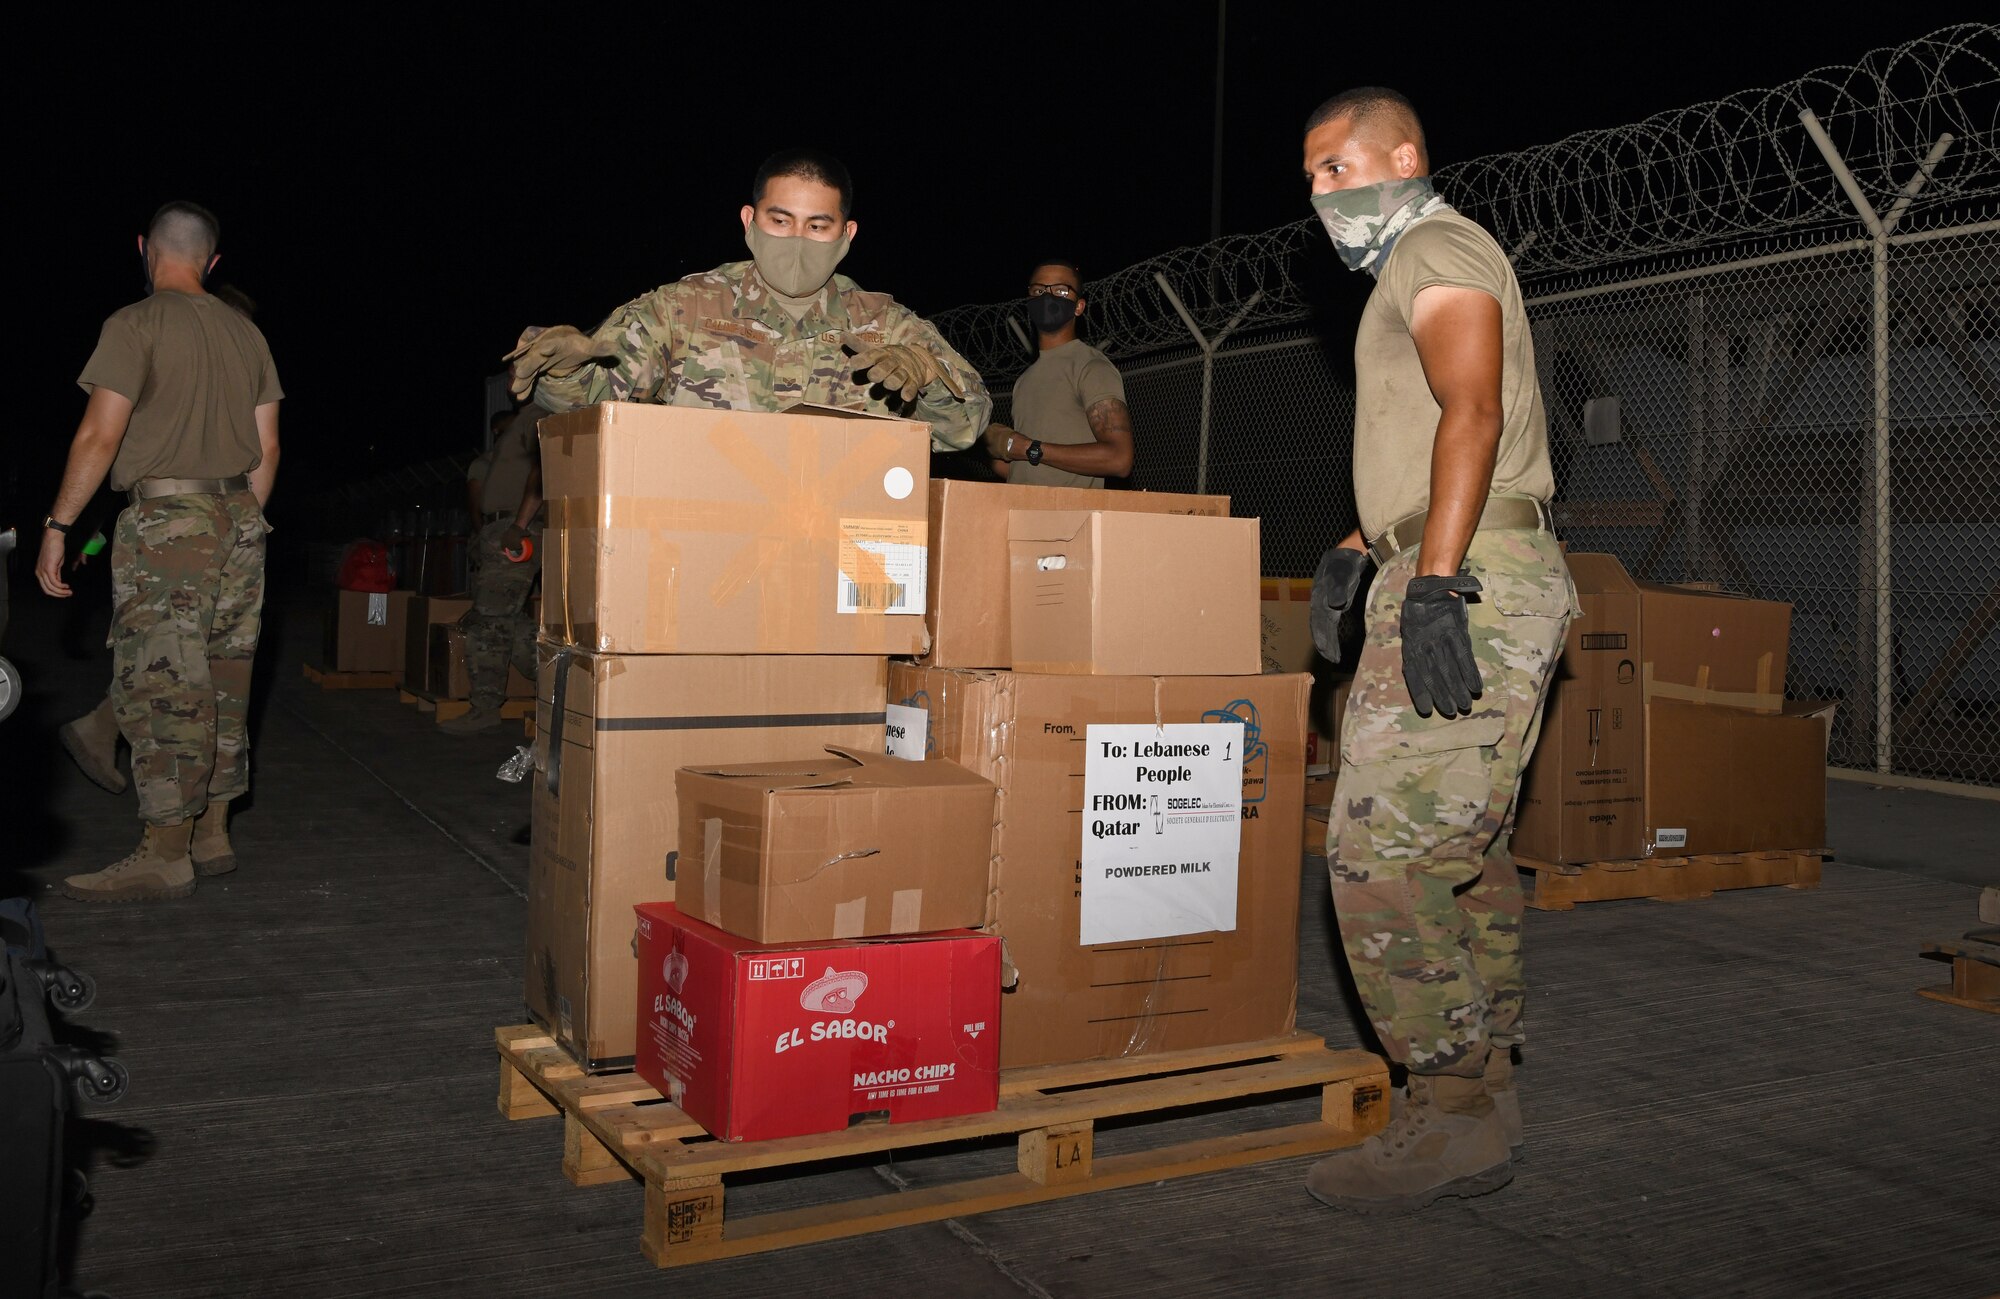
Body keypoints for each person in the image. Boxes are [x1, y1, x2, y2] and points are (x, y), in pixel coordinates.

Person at [1297, 88, 1575, 1211]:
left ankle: (1448, 1109)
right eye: (1308, 175)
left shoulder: (1435, 243)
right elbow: (1440, 436)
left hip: (1469, 579)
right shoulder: (1415, 262)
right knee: (1463, 854)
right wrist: (1359, 549)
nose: (1319, 191)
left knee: (1379, 857)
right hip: (1457, 561)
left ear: (1401, 156)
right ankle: (1485, 1093)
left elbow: (1470, 412)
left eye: (1335, 165)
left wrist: (1433, 585)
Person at [35, 201, 282, 902]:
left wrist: (59, 525)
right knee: (226, 679)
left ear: (145, 249)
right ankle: (212, 833)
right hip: (240, 518)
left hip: (170, 517)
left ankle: (165, 851)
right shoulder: (247, 334)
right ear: (212, 261)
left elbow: (97, 438)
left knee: (167, 683)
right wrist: (236, 526)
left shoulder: (134, 324)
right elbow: (268, 449)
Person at [507, 149, 989, 450]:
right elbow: (587, 411)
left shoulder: (887, 324)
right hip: (709, 549)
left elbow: (964, 429)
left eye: (817, 226)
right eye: (780, 221)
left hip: (836, 554)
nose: (797, 239)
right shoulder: (683, 310)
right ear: (748, 221)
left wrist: (930, 374)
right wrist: (566, 369)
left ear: (847, 234)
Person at [58, 284, 262, 792]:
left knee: (193, 662)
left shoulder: (225, 360)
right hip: (163, 519)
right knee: (175, 664)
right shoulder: (164, 342)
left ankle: (99, 726)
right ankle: (109, 737)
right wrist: (76, 541)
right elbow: (115, 478)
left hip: (210, 521)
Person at [982, 259, 1136, 486]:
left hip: (1068, 518)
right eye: (1039, 290)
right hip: (1021, 514)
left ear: (1078, 306)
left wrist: (1028, 447)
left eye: (1061, 290)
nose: (1047, 297)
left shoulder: (1091, 367)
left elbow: (1119, 459)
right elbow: (1025, 469)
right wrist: (984, 445)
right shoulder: (1024, 381)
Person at [441, 404, 545, 735]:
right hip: (499, 528)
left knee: (488, 622)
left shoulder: (543, 414)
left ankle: (485, 708)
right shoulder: (523, 423)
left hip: (514, 529)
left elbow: (543, 471)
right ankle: (560, 684)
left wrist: (520, 524)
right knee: (504, 618)